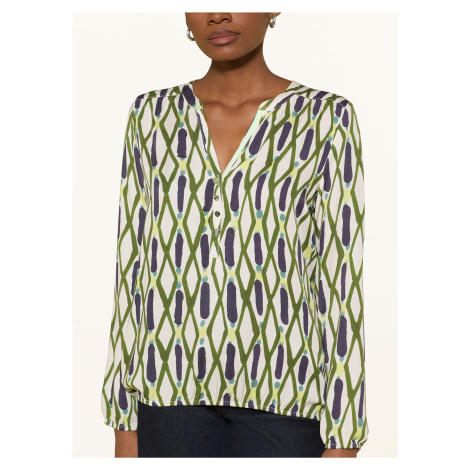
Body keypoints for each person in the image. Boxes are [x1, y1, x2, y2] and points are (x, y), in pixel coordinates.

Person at [100, 12, 369, 458]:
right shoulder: (151, 115)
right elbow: (132, 266)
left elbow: (340, 278)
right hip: (168, 393)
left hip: (286, 393)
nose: (217, 14)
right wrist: (123, 417)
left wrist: (345, 434)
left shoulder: (326, 117)